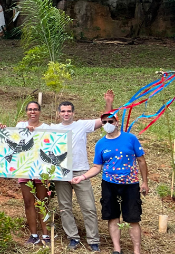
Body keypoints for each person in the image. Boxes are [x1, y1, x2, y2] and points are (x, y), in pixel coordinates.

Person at [44, 91, 114, 251]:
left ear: (73, 113)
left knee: (88, 207)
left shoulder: (82, 124)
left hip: (81, 171)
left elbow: (106, 121)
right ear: (58, 113)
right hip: (61, 172)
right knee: (65, 207)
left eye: (69, 111)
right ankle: (73, 238)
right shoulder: (52, 128)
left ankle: (93, 240)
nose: (66, 113)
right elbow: (33, 133)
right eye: (63, 111)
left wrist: (108, 103)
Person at [71, 111, 149, 254]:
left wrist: (144, 182)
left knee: (133, 218)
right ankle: (116, 249)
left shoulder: (130, 138)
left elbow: (141, 161)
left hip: (130, 184)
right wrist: (82, 177)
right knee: (112, 216)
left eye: (110, 121)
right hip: (109, 184)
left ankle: (136, 250)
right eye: (104, 122)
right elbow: (97, 167)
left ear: (117, 123)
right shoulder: (100, 144)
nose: (107, 124)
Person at [15, 101, 51, 246]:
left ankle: (46, 235)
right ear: (26, 112)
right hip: (25, 169)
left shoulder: (47, 128)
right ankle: (34, 235)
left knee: (43, 202)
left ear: (40, 112)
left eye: (35, 109)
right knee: (28, 202)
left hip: (42, 170)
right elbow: (12, 139)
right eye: (30, 109)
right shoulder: (20, 126)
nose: (33, 112)